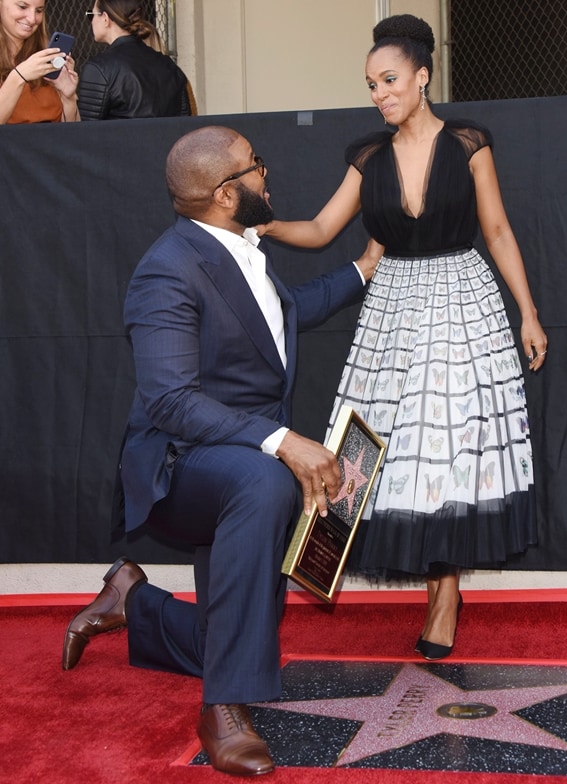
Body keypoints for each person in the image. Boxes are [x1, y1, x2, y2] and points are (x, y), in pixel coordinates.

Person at [61, 125, 381, 777]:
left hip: (239, 465)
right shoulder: (166, 272)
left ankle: (135, 604)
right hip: (178, 470)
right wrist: (284, 442)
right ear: (227, 193)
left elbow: (290, 311)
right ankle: (224, 708)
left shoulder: (244, 247)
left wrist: (365, 268)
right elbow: (172, 401)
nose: (268, 174)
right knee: (266, 483)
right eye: (256, 167)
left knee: (235, 634)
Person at [262, 14, 548, 661]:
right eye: (370, 84)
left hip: (461, 306)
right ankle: (418, 582)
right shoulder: (368, 156)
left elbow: (497, 231)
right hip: (393, 307)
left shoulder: (470, 144)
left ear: (422, 77)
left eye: (389, 79)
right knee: (385, 448)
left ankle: (443, 594)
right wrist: (260, 222)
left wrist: (528, 313)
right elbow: (320, 228)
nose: (379, 93)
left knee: (450, 451)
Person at [78, 0, 191, 120]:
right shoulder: (169, 65)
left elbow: (86, 133)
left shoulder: (98, 68)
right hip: (170, 139)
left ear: (105, 18)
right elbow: (184, 123)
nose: (91, 22)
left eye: (91, 15)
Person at [0, 0, 79, 123]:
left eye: (39, 10)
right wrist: (18, 77)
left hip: (52, 141)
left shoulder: (46, 55)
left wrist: (68, 97)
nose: (32, 19)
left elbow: (73, 134)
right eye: (22, 7)